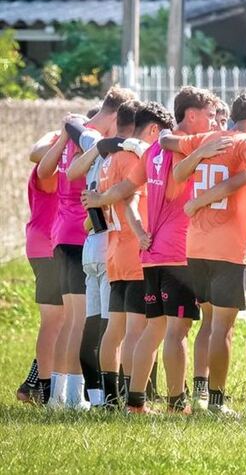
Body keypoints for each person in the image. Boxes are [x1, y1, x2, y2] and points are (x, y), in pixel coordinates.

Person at [85, 87, 218, 413]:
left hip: (150, 253)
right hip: (178, 250)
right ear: (191, 115)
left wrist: (102, 202)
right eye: (210, 115)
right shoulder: (184, 149)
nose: (214, 122)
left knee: (153, 328)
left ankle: (134, 402)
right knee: (177, 330)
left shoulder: (154, 150)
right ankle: (176, 401)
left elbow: (126, 191)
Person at [160, 88, 246, 415]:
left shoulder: (206, 139)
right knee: (222, 329)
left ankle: (199, 389)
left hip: (196, 245)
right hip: (228, 249)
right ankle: (216, 401)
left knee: (209, 322)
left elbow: (169, 144)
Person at [37, 87, 134, 410]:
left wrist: (68, 128)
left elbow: (43, 170)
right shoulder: (92, 139)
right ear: (116, 115)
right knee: (82, 321)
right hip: (82, 233)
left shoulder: (73, 134)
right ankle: (73, 395)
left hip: (60, 233)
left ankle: (58, 394)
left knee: (71, 320)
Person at [92, 102, 173, 409]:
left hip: (115, 251)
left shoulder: (111, 158)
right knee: (136, 330)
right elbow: (129, 198)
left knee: (115, 329)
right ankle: (131, 398)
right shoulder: (137, 156)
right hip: (135, 251)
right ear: (153, 129)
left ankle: (110, 397)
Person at [19, 130, 63, 405]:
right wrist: (61, 136)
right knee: (54, 322)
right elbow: (37, 152)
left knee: (65, 321)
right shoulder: (49, 171)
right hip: (48, 247)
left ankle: (33, 384)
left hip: (46, 246)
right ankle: (43, 388)